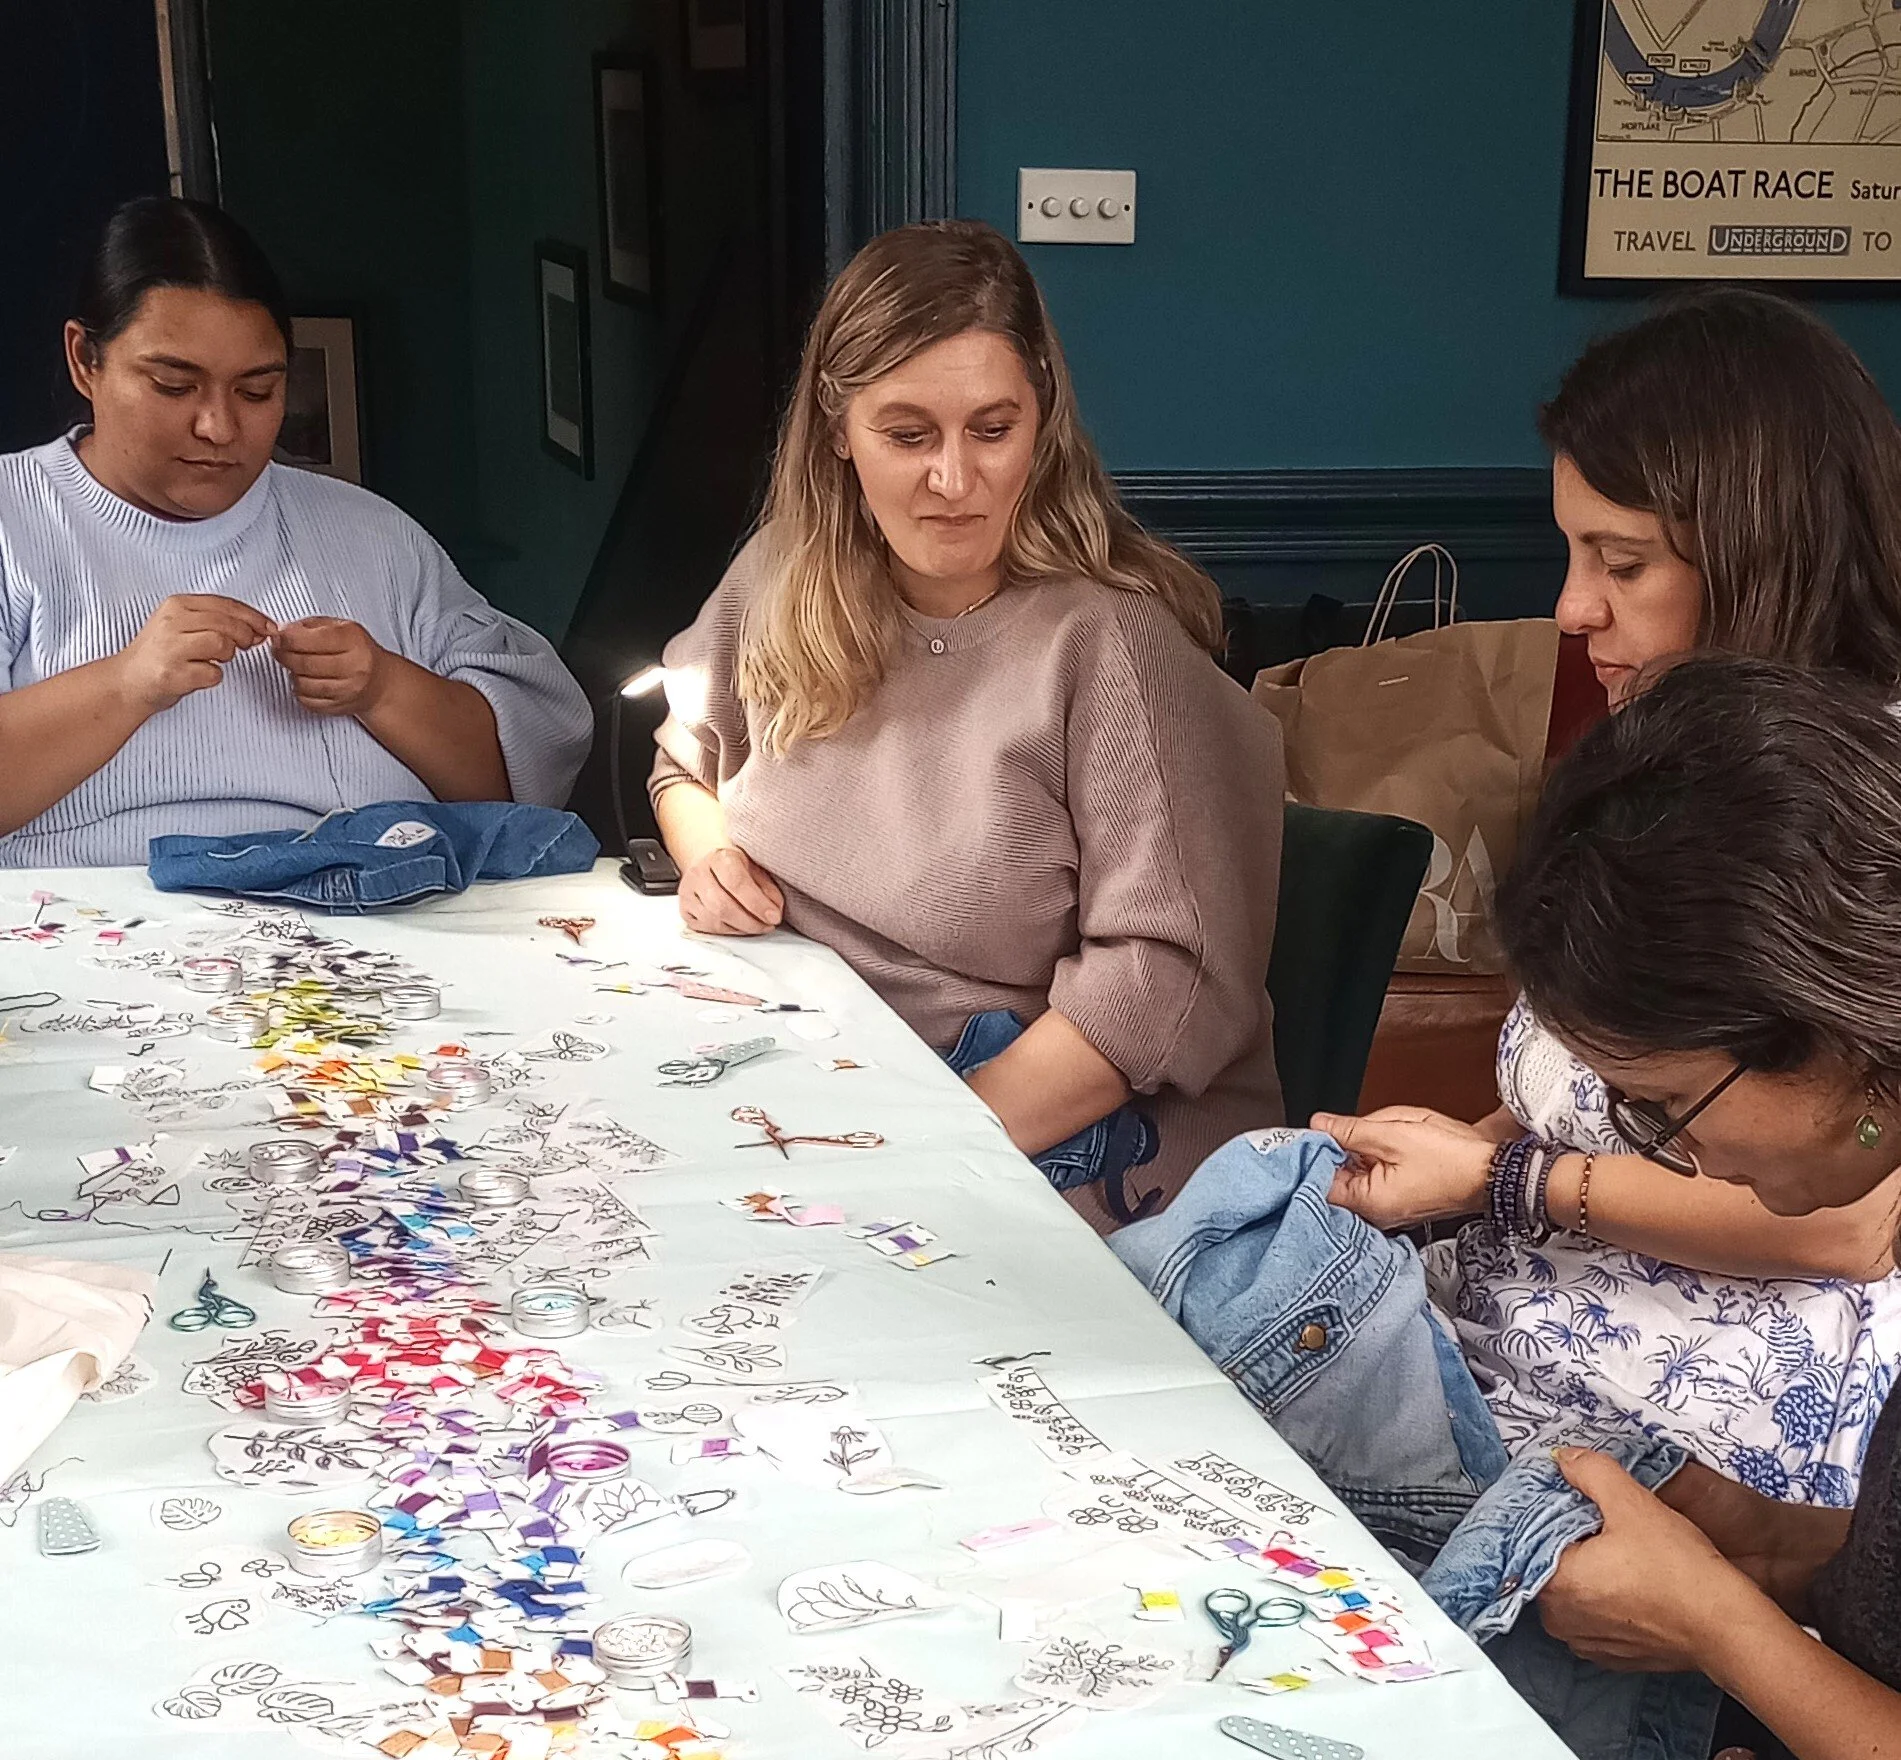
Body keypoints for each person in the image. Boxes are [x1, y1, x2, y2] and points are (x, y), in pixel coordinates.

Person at [1319, 290, 1901, 1508]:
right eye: (1573, 553)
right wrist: (1447, 1151)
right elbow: (1587, 1089)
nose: (1571, 606)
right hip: (1510, 1338)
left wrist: (1493, 1180)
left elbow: (1848, 1217)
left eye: (1620, 562)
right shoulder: (1662, 762)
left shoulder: (1860, 809)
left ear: (1759, 550)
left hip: (1700, 1431)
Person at [648, 219, 1283, 1228]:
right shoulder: (778, 578)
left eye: (992, 429)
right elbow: (682, 764)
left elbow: (1159, 983)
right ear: (836, 430)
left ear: (1042, 418)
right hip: (823, 1081)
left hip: (1050, 1147)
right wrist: (710, 856)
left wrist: (919, 1145)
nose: (953, 480)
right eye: (907, 436)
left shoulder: (1110, 644)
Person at [1505, 659, 1901, 1760]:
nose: (1665, 1154)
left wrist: (1720, 1621)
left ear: (1830, 1030)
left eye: (1664, 1106)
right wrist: (1789, 1541)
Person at [0, 197, 592, 867]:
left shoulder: (371, 536)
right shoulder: (14, 521)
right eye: (173, 385)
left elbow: (524, 792)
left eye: (256, 391)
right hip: (81, 915)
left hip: (357, 904)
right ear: (85, 359)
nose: (219, 427)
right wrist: (125, 685)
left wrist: (385, 688)